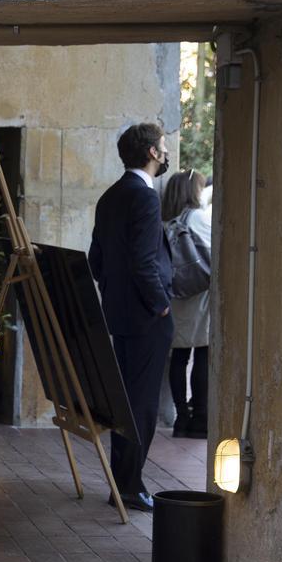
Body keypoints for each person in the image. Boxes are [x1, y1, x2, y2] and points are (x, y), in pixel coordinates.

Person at [88, 122, 174, 513]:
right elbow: (144, 263)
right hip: (145, 317)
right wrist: (161, 303)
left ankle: (121, 484)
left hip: (118, 315)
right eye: (163, 145)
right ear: (152, 153)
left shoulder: (110, 197)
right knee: (142, 407)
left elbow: (96, 261)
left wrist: (117, 292)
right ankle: (129, 486)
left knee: (125, 403)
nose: (166, 150)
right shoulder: (144, 197)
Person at [161, 169, 211, 439]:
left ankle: (181, 417)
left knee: (179, 357)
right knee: (203, 352)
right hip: (200, 296)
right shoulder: (199, 218)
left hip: (177, 296)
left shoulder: (166, 222)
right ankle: (200, 417)